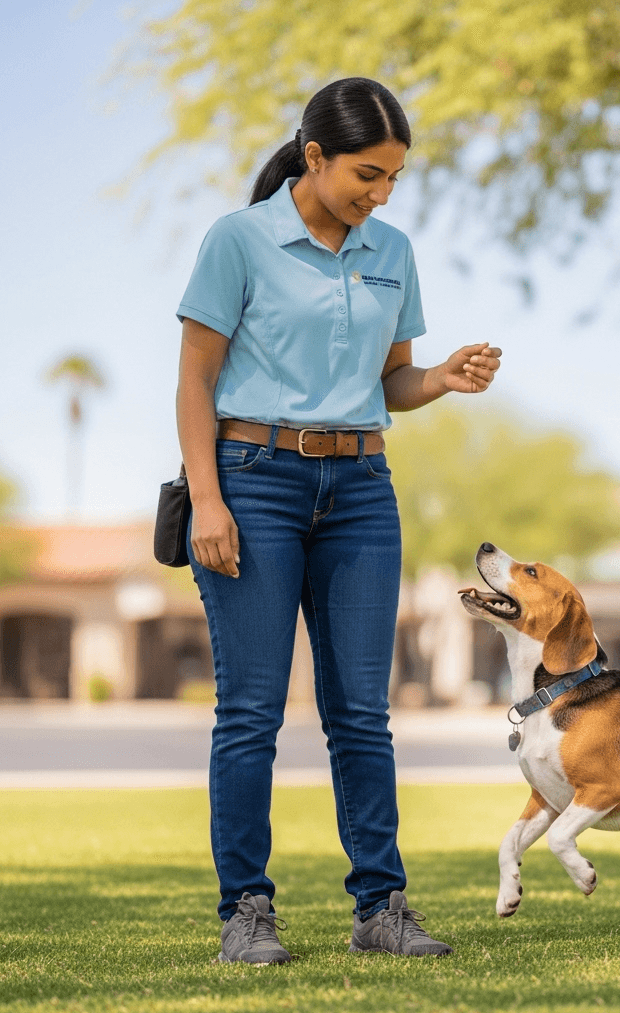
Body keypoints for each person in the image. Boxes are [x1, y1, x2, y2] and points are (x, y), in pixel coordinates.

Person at [175, 77, 501, 964]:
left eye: (394, 178)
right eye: (368, 173)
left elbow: (392, 381)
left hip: (361, 487)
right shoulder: (239, 241)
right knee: (250, 713)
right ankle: (246, 911)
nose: (382, 194)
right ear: (313, 156)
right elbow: (195, 380)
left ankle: (381, 910)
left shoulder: (391, 248)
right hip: (253, 479)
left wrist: (441, 379)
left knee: (361, 712)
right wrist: (208, 497)